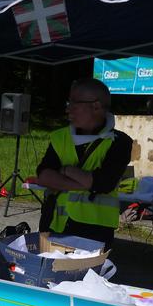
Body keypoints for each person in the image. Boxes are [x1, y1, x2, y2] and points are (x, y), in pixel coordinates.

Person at [35, 78, 132, 250]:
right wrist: (87, 183)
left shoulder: (120, 142)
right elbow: (43, 176)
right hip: (53, 223)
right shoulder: (60, 136)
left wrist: (66, 170)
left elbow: (104, 183)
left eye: (74, 103)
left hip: (94, 231)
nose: (68, 109)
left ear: (96, 106)